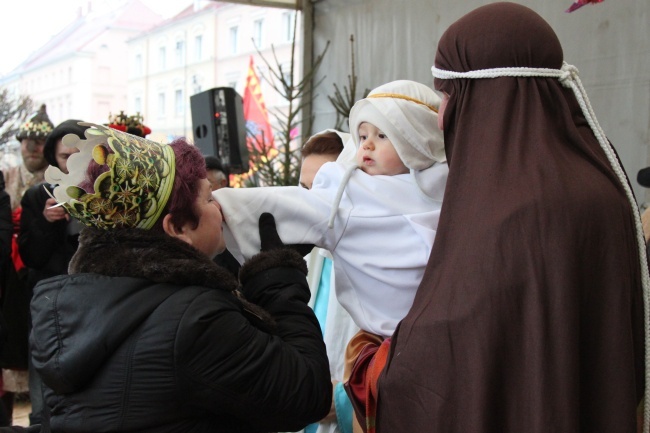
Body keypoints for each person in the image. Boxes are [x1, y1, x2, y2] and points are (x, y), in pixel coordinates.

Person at [376, 4, 647, 433]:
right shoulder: (601, 183)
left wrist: (374, 365)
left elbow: (446, 361)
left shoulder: (509, 210)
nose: (442, 115)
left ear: (482, 98)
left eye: (445, 96)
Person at [29, 123, 332, 432]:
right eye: (209, 199)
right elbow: (306, 394)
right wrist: (277, 279)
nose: (222, 209)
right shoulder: (196, 319)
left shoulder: (68, 305)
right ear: (177, 228)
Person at [214, 79, 449, 430]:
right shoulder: (346, 196)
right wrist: (217, 206)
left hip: (430, 350)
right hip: (374, 362)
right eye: (363, 135)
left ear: (414, 141)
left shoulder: (446, 192)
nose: (367, 144)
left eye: (383, 136)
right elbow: (280, 205)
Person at [17, 119, 89, 426]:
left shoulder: (106, 192)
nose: (72, 163)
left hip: (91, 299)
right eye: (64, 157)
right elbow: (31, 256)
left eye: (79, 155)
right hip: (50, 302)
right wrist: (47, 221)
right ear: (52, 158)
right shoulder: (37, 195)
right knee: (44, 383)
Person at [298, 130, 360, 433]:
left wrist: (341, 402)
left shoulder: (373, 262)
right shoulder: (306, 256)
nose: (310, 200)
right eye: (304, 187)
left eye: (322, 186)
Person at [0, 104, 53, 424]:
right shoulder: (6, 177)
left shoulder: (54, 181)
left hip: (35, 276)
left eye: (37, 142)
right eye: (25, 141)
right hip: (6, 276)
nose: (30, 147)